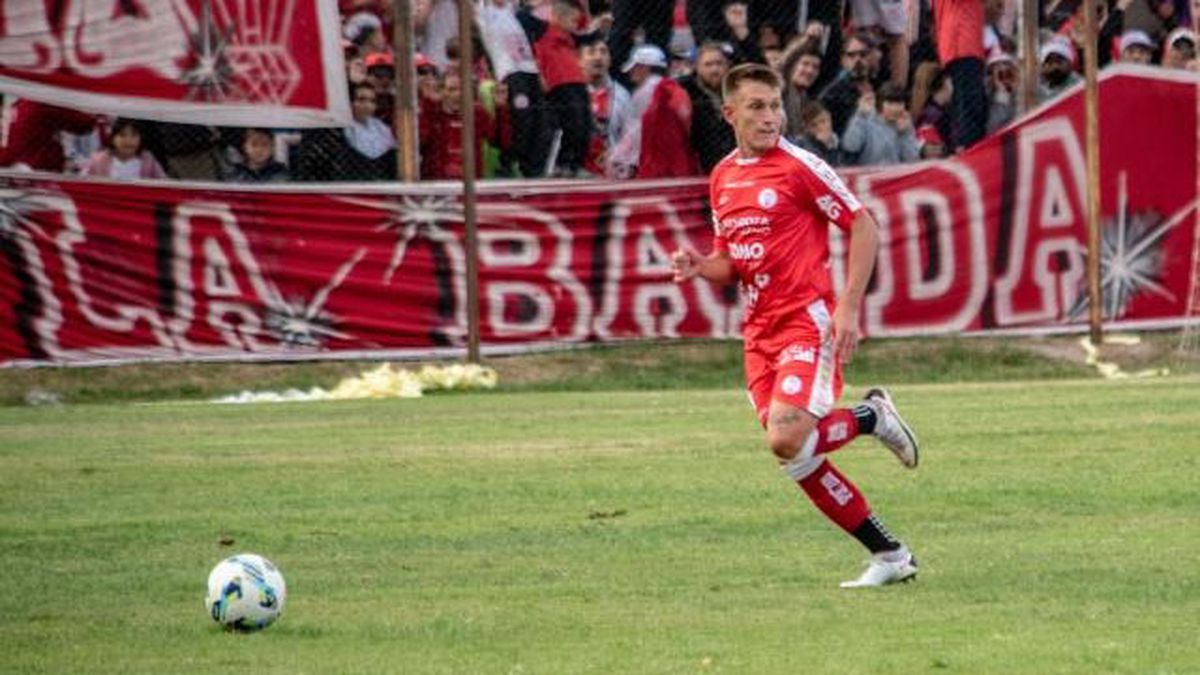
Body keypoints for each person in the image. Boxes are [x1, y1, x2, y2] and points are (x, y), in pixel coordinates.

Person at [669, 63, 921, 588]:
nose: (769, 117)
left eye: (775, 105)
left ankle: (872, 418)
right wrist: (701, 266)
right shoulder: (722, 176)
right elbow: (729, 262)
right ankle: (891, 556)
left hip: (806, 324)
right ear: (729, 113)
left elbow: (862, 224)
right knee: (797, 456)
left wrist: (849, 305)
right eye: (757, 107)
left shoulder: (799, 166)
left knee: (786, 438)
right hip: (758, 334)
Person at [680, 41, 736, 173]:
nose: (714, 69)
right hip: (701, 162)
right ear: (697, 67)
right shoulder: (686, 92)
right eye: (708, 65)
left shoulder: (736, 89)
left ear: (727, 65)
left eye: (719, 63)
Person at [841, 82, 920, 166]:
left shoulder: (906, 124)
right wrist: (860, 116)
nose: (895, 108)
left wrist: (904, 135)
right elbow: (850, 146)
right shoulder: (866, 119)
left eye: (899, 103)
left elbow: (913, 160)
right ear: (881, 103)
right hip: (868, 175)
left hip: (895, 175)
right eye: (890, 103)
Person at [82, 118, 168, 180]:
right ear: (113, 138)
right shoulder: (98, 160)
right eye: (122, 135)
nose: (128, 140)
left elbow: (164, 182)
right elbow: (82, 181)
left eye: (134, 135)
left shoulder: (148, 159)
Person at [225, 128, 289, 183]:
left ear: (272, 148)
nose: (259, 150)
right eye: (254, 144)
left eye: (265, 144)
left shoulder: (280, 171)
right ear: (245, 147)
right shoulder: (235, 172)